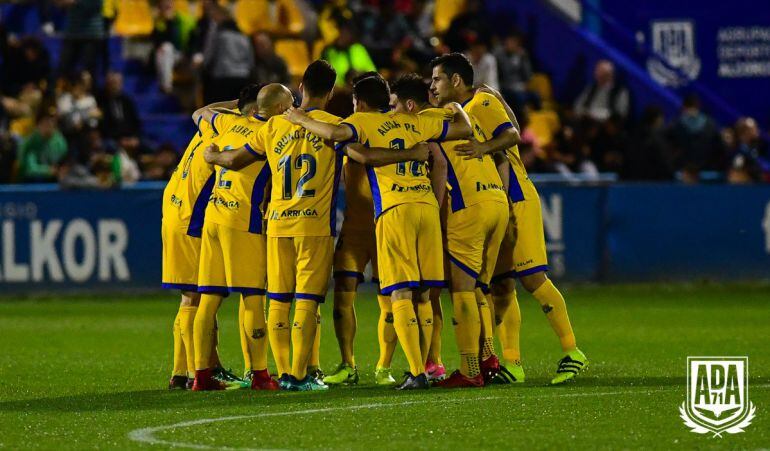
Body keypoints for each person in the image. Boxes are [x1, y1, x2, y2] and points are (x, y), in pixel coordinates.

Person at [286, 72, 472, 390]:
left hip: (394, 210)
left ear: (359, 103)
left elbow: (337, 134)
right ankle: (425, 366)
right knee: (424, 294)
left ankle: (414, 371)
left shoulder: (363, 122)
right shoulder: (416, 122)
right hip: (426, 207)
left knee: (399, 293)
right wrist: (456, 107)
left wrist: (300, 118)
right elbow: (463, 130)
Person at [431, 53, 588, 385]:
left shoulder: (481, 101)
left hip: (516, 196)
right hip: (497, 199)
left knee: (533, 278)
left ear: (456, 80)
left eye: (437, 79)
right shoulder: (466, 109)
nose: (433, 86)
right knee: (500, 285)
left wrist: (482, 147)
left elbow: (512, 135)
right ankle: (512, 364)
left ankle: (572, 351)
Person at [391, 73, 509, 388]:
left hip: (468, 207)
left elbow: (441, 166)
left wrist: (434, 210)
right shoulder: (462, 115)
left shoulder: (429, 120)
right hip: (496, 200)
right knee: (479, 287)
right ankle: (488, 358)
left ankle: (470, 370)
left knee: (461, 290)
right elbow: (502, 153)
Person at [189, 84, 291, 391]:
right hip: (242, 220)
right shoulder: (269, 131)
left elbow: (200, 113)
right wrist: (217, 157)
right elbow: (236, 161)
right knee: (253, 297)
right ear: (278, 109)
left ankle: (201, 375)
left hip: (214, 216)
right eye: (289, 105)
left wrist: (213, 149)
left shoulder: (228, 121)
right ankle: (260, 375)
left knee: (208, 299)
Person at [18, 113, 68, 182]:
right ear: (37, 125)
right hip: (30, 180)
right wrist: (48, 171)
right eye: (45, 123)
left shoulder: (59, 140)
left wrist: (62, 170)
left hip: (55, 178)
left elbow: (65, 161)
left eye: (52, 123)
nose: (49, 126)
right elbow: (30, 169)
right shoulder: (30, 143)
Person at [97, 71, 141, 140]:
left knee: (149, 145)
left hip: (130, 136)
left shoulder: (127, 101)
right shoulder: (101, 102)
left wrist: (135, 137)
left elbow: (135, 122)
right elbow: (103, 127)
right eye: (114, 83)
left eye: (119, 83)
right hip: (112, 138)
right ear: (108, 84)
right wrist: (119, 139)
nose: (116, 86)